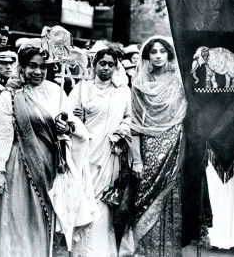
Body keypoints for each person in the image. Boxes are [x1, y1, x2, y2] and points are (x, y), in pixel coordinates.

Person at [0, 44, 94, 257]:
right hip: (19, 166)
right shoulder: (10, 95)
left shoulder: (56, 91)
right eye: (32, 66)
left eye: (43, 67)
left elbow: (71, 124)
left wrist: (67, 128)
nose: (38, 72)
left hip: (50, 165)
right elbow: (1, 134)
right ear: (22, 67)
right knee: (18, 218)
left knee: (45, 219)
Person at [119, 36, 187, 257]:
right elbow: (136, 125)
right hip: (148, 148)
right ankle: (144, 250)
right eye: (153, 52)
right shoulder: (139, 84)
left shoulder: (180, 81)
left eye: (162, 51)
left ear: (169, 55)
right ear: (146, 56)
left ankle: (168, 251)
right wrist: (137, 160)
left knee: (170, 197)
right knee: (143, 196)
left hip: (174, 145)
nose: (158, 55)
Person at [70, 48, 133, 257]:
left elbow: (130, 117)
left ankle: (103, 251)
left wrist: (121, 131)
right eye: (102, 63)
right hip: (85, 151)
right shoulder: (82, 89)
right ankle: (82, 251)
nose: (106, 68)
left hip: (110, 151)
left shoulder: (122, 91)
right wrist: (76, 116)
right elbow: (66, 118)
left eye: (110, 64)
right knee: (85, 196)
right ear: (94, 65)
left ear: (116, 67)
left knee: (104, 200)